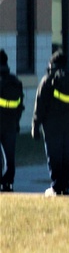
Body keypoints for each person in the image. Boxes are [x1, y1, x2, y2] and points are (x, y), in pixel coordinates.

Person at [31, 50, 69, 196]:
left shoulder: (48, 80)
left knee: (54, 157)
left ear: (52, 63)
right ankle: (65, 186)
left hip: (52, 125)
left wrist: (35, 126)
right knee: (66, 156)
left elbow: (40, 105)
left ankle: (55, 186)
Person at [0, 49, 25, 193]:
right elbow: (20, 105)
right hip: (11, 124)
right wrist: (16, 121)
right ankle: (8, 183)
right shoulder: (15, 81)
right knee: (10, 156)